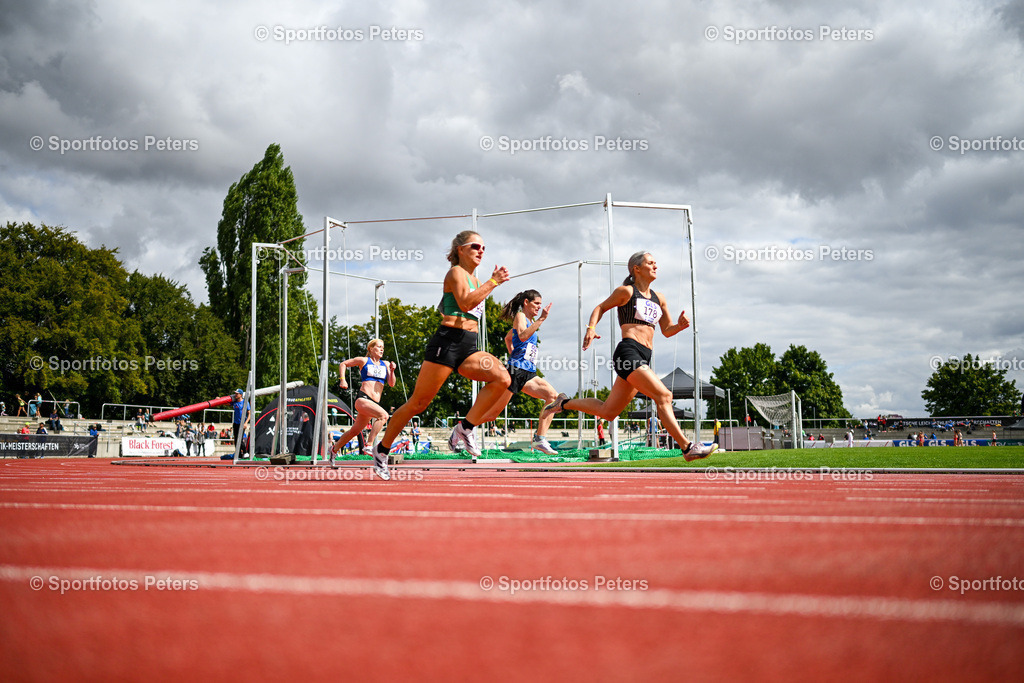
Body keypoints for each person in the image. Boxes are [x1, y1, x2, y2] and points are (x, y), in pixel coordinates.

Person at [543, 251, 717, 460]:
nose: (655, 266)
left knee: (608, 412)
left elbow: (667, 330)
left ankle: (563, 403)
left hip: (644, 356)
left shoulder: (659, 298)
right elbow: (601, 307)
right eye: (651, 263)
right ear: (637, 268)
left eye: (656, 262)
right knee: (664, 396)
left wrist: (679, 326)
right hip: (628, 352)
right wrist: (591, 328)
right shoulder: (626, 292)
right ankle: (687, 448)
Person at [372, 230, 512, 479]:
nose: (481, 251)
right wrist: (494, 282)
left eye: (483, 248)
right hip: (446, 343)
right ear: (460, 249)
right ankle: (381, 450)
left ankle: (465, 427)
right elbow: (466, 304)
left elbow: (473, 308)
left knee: (502, 377)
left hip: (468, 346)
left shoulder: (477, 281)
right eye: (475, 246)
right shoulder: (456, 273)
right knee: (418, 403)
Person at [477, 289, 565, 456]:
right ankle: (464, 427)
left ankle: (540, 438)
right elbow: (523, 336)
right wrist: (542, 320)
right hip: (515, 371)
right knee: (492, 415)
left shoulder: (529, 321)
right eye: (536, 303)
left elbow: (508, 338)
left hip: (529, 372)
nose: (540, 307)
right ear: (526, 302)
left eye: (540, 304)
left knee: (553, 397)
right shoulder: (520, 316)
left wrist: (513, 351)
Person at [330, 339, 397, 459]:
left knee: (354, 432)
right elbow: (343, 364)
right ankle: (369, 445)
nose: (382, 349)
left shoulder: (385, 364)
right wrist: (342, 379)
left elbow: (391, 384)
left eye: (383, 347)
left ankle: (334, 450)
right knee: (384, 416)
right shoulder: (364, 360)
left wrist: (392, 371)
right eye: (379, 347)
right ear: (371, 349)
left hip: (374, 403)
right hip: (363, 399)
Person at [230, 389, 251, 458]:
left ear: (241, 395)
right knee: (236, 439)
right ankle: (238, 454)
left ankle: (245, 452)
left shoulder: (245, 402)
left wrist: (246, 423)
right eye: (235, 393)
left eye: (237, 393)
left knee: (240, 438)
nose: (235, 395)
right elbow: (226, 403)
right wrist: (219, 399)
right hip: (235, 423)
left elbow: (249, 414)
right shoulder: (235, 402)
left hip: (242, 423)